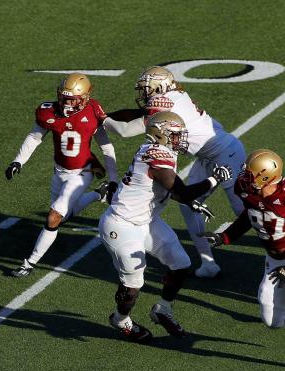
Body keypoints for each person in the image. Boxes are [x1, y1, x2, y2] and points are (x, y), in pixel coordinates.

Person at [104, 65, 247, 278]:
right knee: (188, 207)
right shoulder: (175, 95)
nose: (143, 93)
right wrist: (105, 115)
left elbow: (126, 130)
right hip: (209, 154)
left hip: (226, 155)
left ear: (159, 86)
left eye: (146, 87)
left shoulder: (162, 103)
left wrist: (101, 121)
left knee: (247, 212)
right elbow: (137, 113)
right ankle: (208, 263)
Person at [99, 111, 231, 341]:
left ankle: (163, 309)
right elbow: (181, 192)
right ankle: (120, 319)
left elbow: (176, 192)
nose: (179, 139)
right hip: (122, 225)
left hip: (147, 221)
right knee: (133, 285)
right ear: (160, 134)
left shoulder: (160, 151)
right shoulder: (155, 156)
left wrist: (195, 204)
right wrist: (214, 179)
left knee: (181, 265)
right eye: (175, 134)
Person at [5, 73, 119, 277]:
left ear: (85, 97)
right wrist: (18, 160)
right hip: (59, 171)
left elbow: (107, 148)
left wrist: (113, 179)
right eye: (65, 97)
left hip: (83, 171)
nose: (67, 103)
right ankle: (97, 195)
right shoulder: (48, 112)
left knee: (53, 218)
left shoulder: (93, 111)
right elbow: (34, 137)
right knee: (62, 217)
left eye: (73, 99)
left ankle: (29, 263)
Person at [200, 149, 285, 327]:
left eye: (250, 174)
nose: (245, 177)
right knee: (272, 319)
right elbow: (251, 215)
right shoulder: (247, 189)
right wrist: (225, 236)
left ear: (265, 177)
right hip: (275, 259)